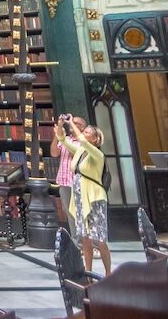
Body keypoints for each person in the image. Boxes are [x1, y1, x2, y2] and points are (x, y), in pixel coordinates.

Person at [56, 115, 110, 276]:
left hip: (94, 197)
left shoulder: (97, 154)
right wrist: (61, 125)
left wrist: (71, 122)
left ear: (95, 139)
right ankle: (88, 272)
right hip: (80, 197)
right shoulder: (80, 151)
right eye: (84, 132)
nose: (84, 134)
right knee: (85, 238)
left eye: (87, 132)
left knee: (100, 239)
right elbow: (62, 139)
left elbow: (82, 140)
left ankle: (108, 272)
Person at [52, 115, 86, 223]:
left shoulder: (84, 141)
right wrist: (58, 133)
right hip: (64, 182)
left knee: (81, 212)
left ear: (82, 127)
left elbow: (76, 153)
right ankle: (76, 239)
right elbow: (54, 153)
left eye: (76, 123)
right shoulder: (65, 139)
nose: (72, 124)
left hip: (78, 182)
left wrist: (63, 139)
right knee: (69, 212)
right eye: (71, 122)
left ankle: (84, 239)